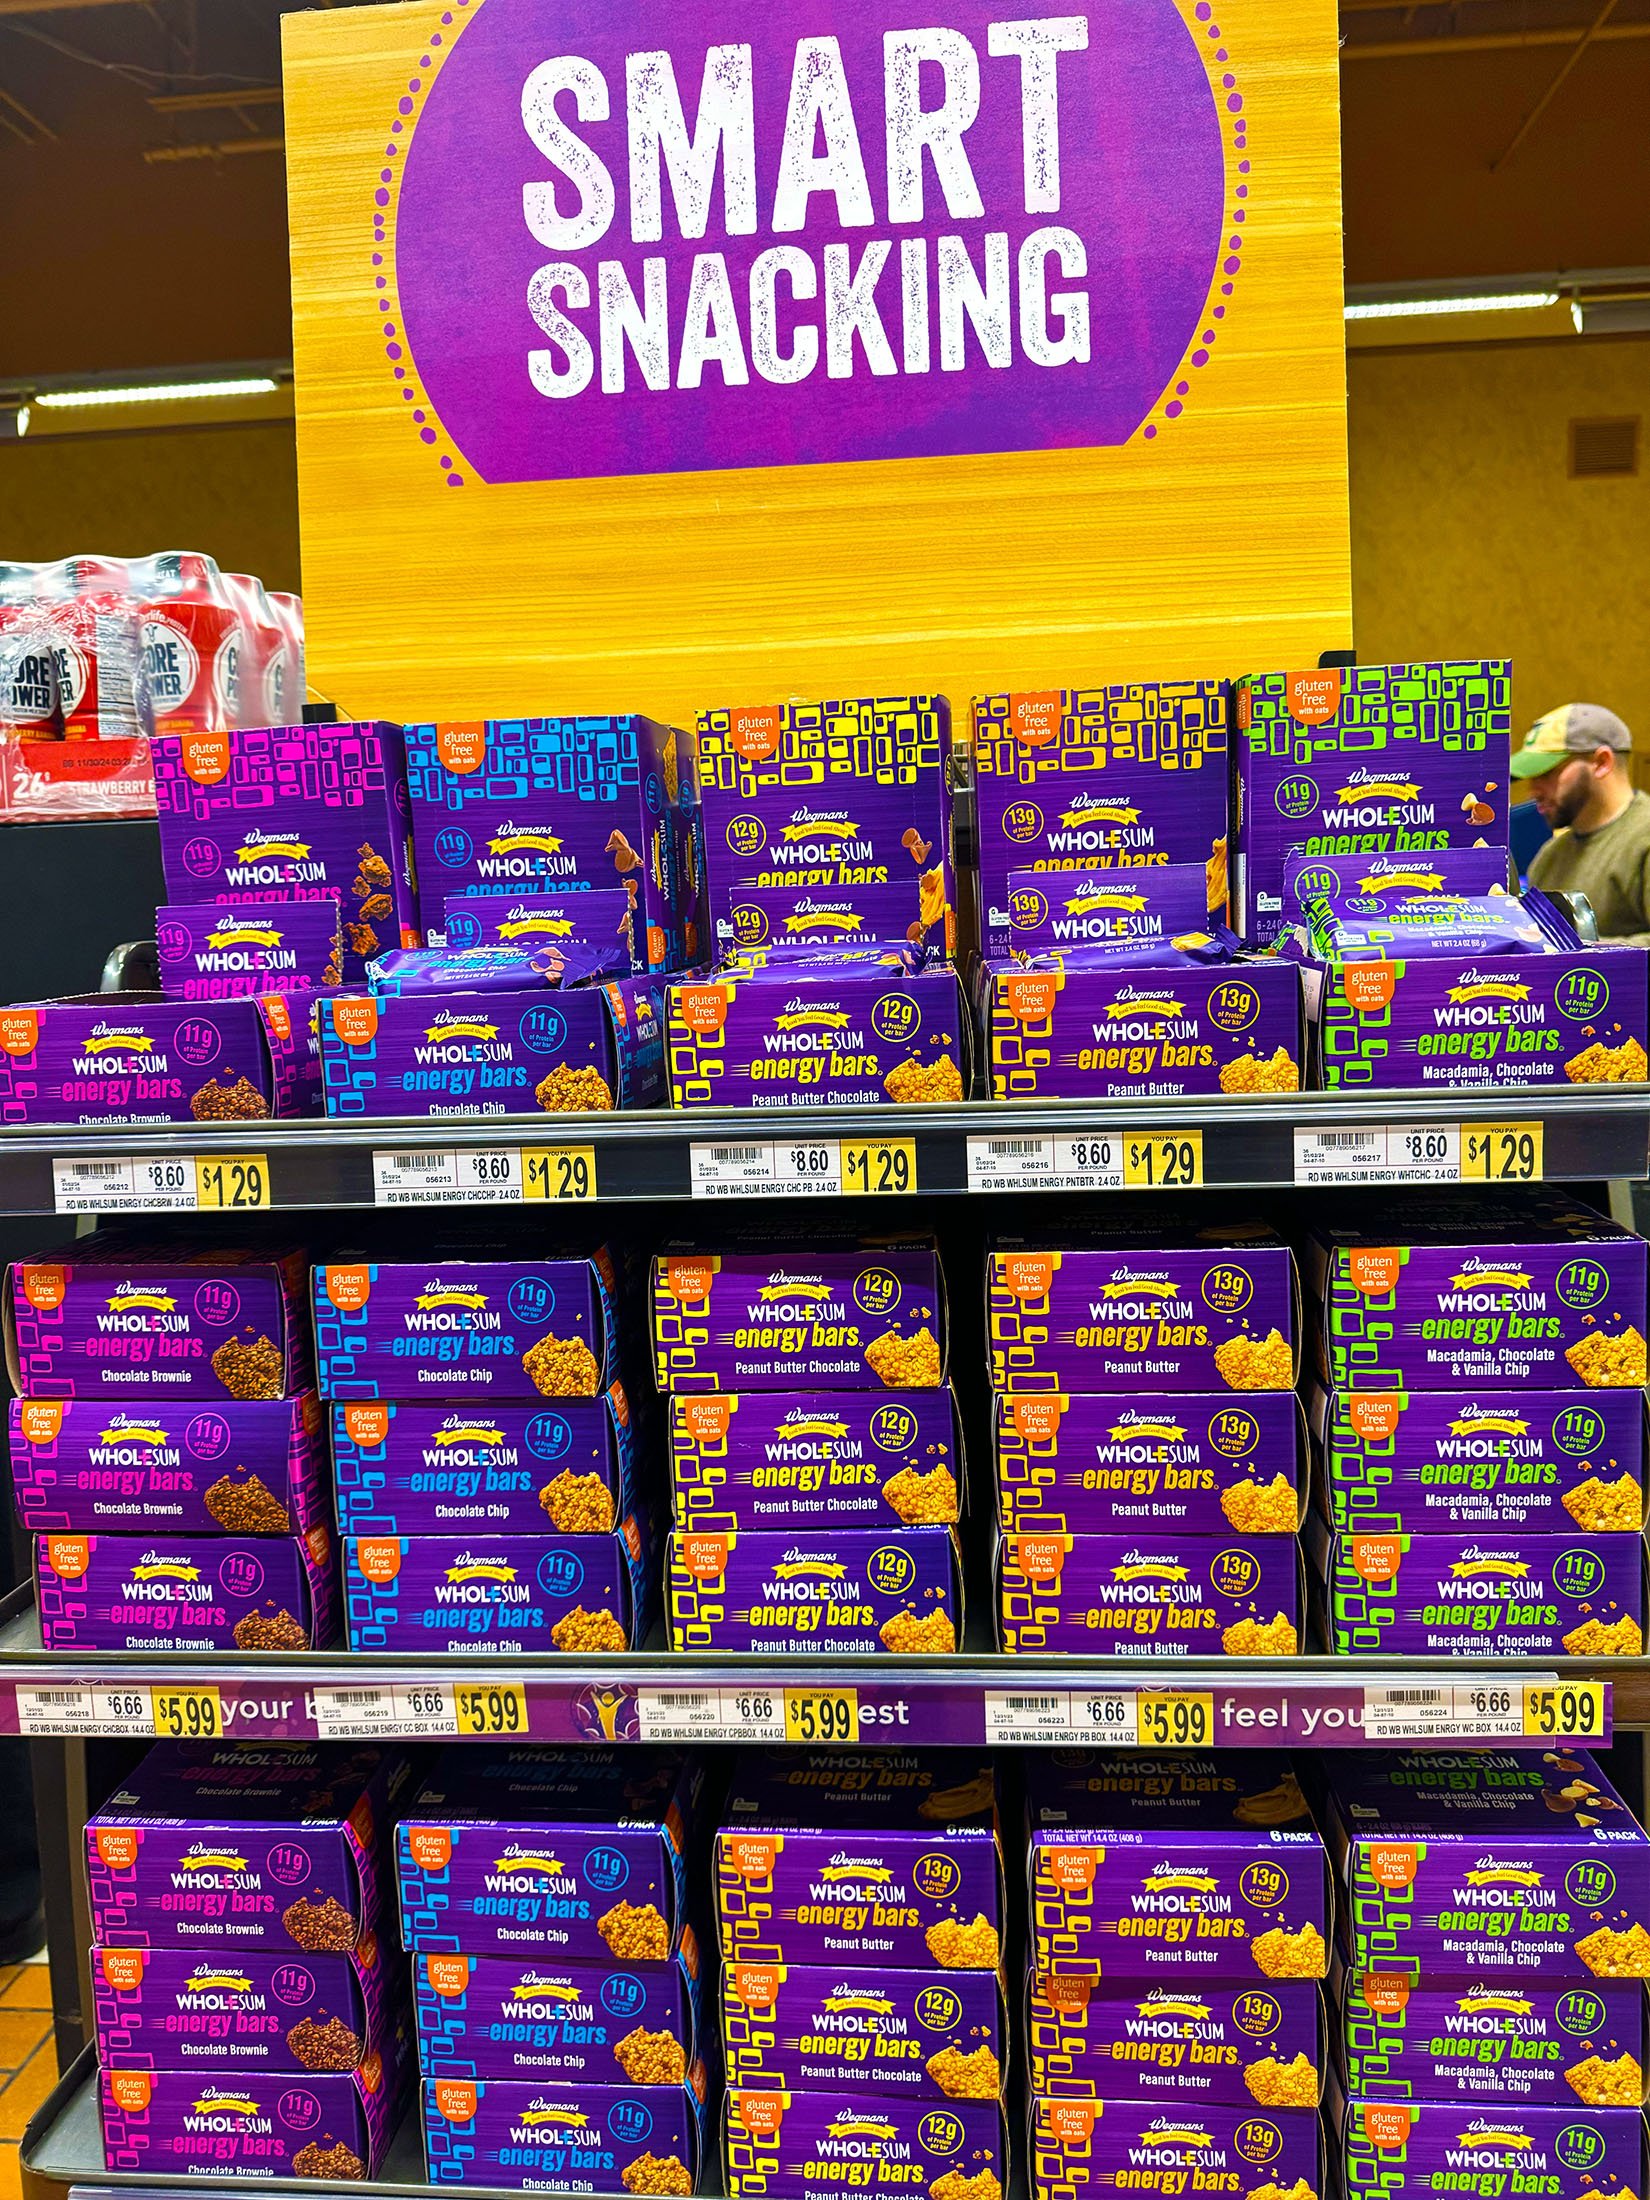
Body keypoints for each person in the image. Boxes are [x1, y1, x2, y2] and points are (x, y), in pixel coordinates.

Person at [1515, 703, 1650, 945]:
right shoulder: (1549, 857)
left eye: (1546, 773)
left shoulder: (1643, 839)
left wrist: (1574, 949)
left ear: (1601, 763)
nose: (1533, 790)